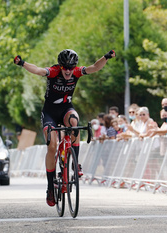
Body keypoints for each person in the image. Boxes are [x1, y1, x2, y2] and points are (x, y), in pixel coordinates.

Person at [14, 49, 116, 207]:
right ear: (60, 66)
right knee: (52, 146)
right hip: (50, 113)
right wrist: (22, 63)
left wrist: (106, 57)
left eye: (71, 67)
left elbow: (95, 67)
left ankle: (75, 163)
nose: (68, 71)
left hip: (66, 109)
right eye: (65, 67)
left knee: (75, 122)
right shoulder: (54, 72)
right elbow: (38, 70)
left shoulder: (76, 71)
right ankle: (50, 187)